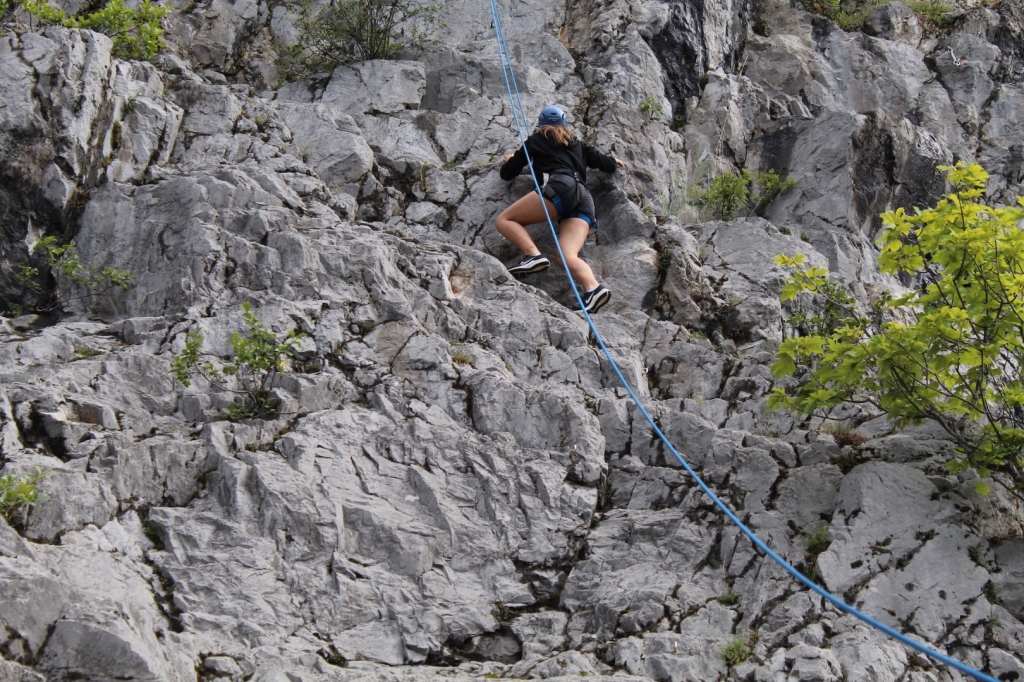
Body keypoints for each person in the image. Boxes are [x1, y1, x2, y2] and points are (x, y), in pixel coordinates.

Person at [496, 105, 626, 314]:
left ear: (541, 125)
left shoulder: (536, 140)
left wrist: (510, 160)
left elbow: (508, 173)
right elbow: (606, 164)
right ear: (565, 125)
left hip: (559, 188)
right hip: (583, 199)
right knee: (567, 256)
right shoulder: (579, 145)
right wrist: (614, 161)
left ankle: (533, 255)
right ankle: (593, 288)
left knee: (505, 221)